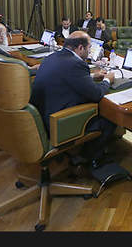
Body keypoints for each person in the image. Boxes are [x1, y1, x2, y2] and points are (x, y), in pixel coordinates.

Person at [29, 31, 116, 169]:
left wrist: (92, 77)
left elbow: (65, 76)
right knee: (110, 116)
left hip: (41, 118)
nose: (89, 52)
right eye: (89, 48)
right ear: (80, 48)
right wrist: (107, 80)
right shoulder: (76, 63)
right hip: (58, 124)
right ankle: (89, 157)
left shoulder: (52, 57)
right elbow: (96, 94)